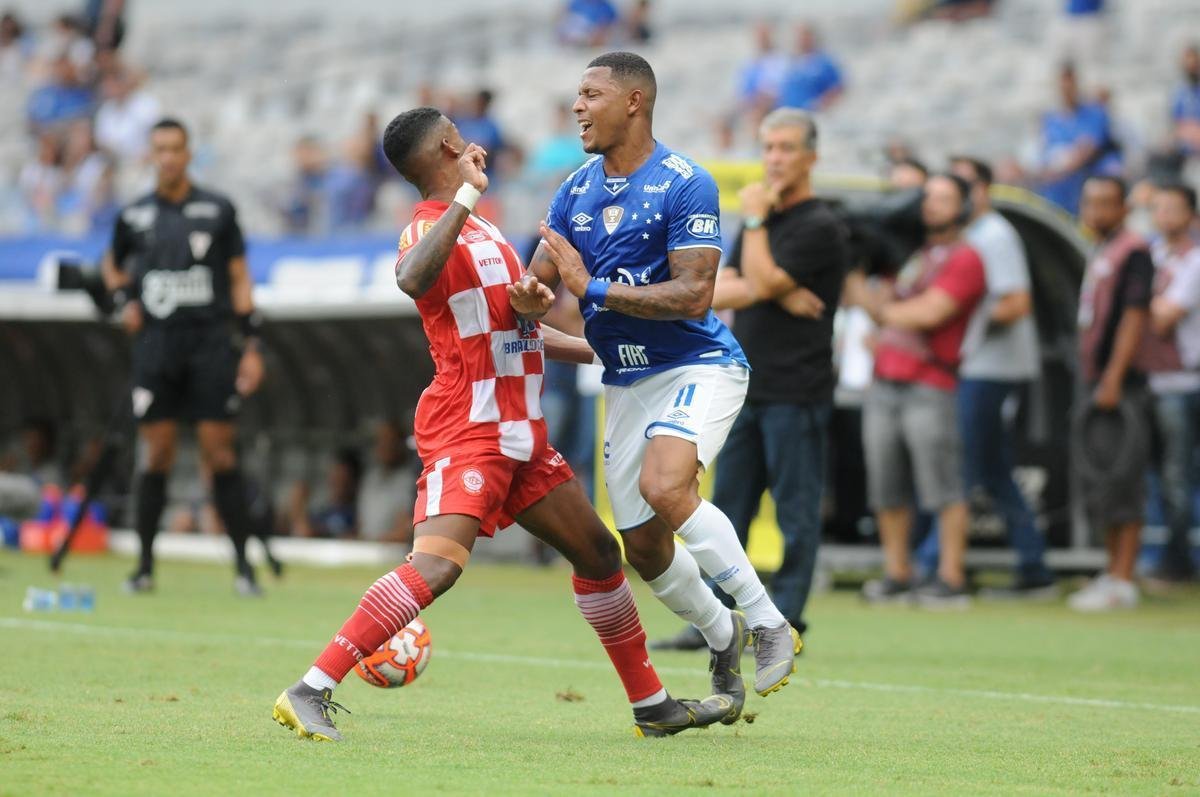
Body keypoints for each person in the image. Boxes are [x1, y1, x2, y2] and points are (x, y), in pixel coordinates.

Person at [272, 107, 733, 743]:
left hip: (521, 432)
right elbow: (410, 279)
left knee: (599, 554)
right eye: (460, 143)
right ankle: (310, 689)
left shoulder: (484, 233)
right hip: (470, 427)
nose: (473, 148)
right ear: (444, 149)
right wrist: (464, 195)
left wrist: (600, 346)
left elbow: (518, 331)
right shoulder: (430, 228)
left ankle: (651, 705)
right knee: (436, 567)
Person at [519, 52, 801, 702]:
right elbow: (537, 283)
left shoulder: (685, 181)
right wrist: (526, 299)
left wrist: (594, 287)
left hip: (699, 364)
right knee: (642, 546)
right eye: (577, 95)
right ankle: (721, 631)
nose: (577, 107)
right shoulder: (574, 190)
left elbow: (696, 292)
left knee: (666, 485)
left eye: (590, 94)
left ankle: (768, 621)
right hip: (624, 380)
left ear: (633, 102)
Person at [656, 108, 848, 650]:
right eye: (768, 148)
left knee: (795, 511)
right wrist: (774, 285)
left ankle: (785, 620)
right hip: (747, 384)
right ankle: (717, 621)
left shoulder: (820, 225)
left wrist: (760, 231)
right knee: (727, 508)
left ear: (811, 156)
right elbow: (726, 286)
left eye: (786, 148)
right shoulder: (768, 225)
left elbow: (753, 280)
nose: (774, 159)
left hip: (799, 387)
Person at [100, 118, 266, 596]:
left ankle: (243, 568)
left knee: (219, 451)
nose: (168, 157)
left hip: (211, 345)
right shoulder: (133, 216)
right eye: (160, 149)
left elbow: (239, 276)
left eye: (176, 148)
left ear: (189, 153)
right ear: (150, 155)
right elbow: (111, 264)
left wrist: (251, 345)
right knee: (157, 452)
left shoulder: (217, 209)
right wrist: (120, 301)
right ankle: (145, 566)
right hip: (157, 347)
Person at [843, 173, 987, 607]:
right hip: (885, 379)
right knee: (886, 485)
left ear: (963, 207)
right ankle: (897, 572)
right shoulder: (916, 255)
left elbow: (928, 313)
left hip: (931, 381)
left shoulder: (967, 258)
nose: (932, 206)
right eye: (928, 198)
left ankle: (951, 576)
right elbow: (875, 301)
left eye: (944, 199)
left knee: (942, 485)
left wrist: (877, 307)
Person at [950, 156, 1056, 598]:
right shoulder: (973, 235)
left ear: (985, 189)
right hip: (979, 366)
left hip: (993, 368)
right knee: (989, 468)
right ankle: (1033, 565)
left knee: (972, 466)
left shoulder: (993, 235)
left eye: (967, 183)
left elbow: (1017, 303)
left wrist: (960, 316)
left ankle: (936, 563)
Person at [1067, 175, 1154, 611]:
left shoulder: (1134, 251)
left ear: (1123, 208)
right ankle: (1110, 571)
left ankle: (1124, 577)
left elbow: (1134, 317)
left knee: (1123, 476)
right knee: (1100, 477)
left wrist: (1114, 377)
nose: (1096, 211)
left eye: (1106, 204)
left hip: (1120, 384)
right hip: (1095, 378)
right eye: (1090, 202)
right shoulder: (1102, 248)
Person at [1143, 182, 1200, 582]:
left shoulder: (1194, 260)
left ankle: (1178, 560)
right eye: (1158, 208)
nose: (1165, 217)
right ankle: (1168, 553)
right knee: (1163, 475)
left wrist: (1134, 302)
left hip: (1186, 380)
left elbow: (1164, 317)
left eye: (1173, 209)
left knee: (1181, 475)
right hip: (1155, 380)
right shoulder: (1151, 256)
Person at [1035, 63, 1120, 217]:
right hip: (1059, 183)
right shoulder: (1051, 119)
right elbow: (1046, 151)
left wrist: (1063, 168)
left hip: (1088, 175)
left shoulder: (1095, 114)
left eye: (1070, 85)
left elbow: (1090, 148)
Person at [357, 420, 416, 543]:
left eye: (390, 441)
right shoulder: (370, 478)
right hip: (366, 550)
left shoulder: (410, 480)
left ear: (400, 444)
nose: (385, 446)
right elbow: (361, 525)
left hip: (396, 553)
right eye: (381, 441)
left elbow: (404, 531)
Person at [286, 448, 361, 539]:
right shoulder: (322, 510)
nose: (337, 482)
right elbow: (299, 530)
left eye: (342, 479)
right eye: (335, 476)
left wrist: (299, 511)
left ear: (353, 481)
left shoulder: (354, 514)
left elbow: (307, 532)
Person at [776, 24, 844, 112]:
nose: (802, 40)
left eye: (805, 36)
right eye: (800, 37)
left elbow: (837, 87)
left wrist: (821, 104)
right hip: (789, 111)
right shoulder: (790, 61)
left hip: (812, 113)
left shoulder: (823, 61)